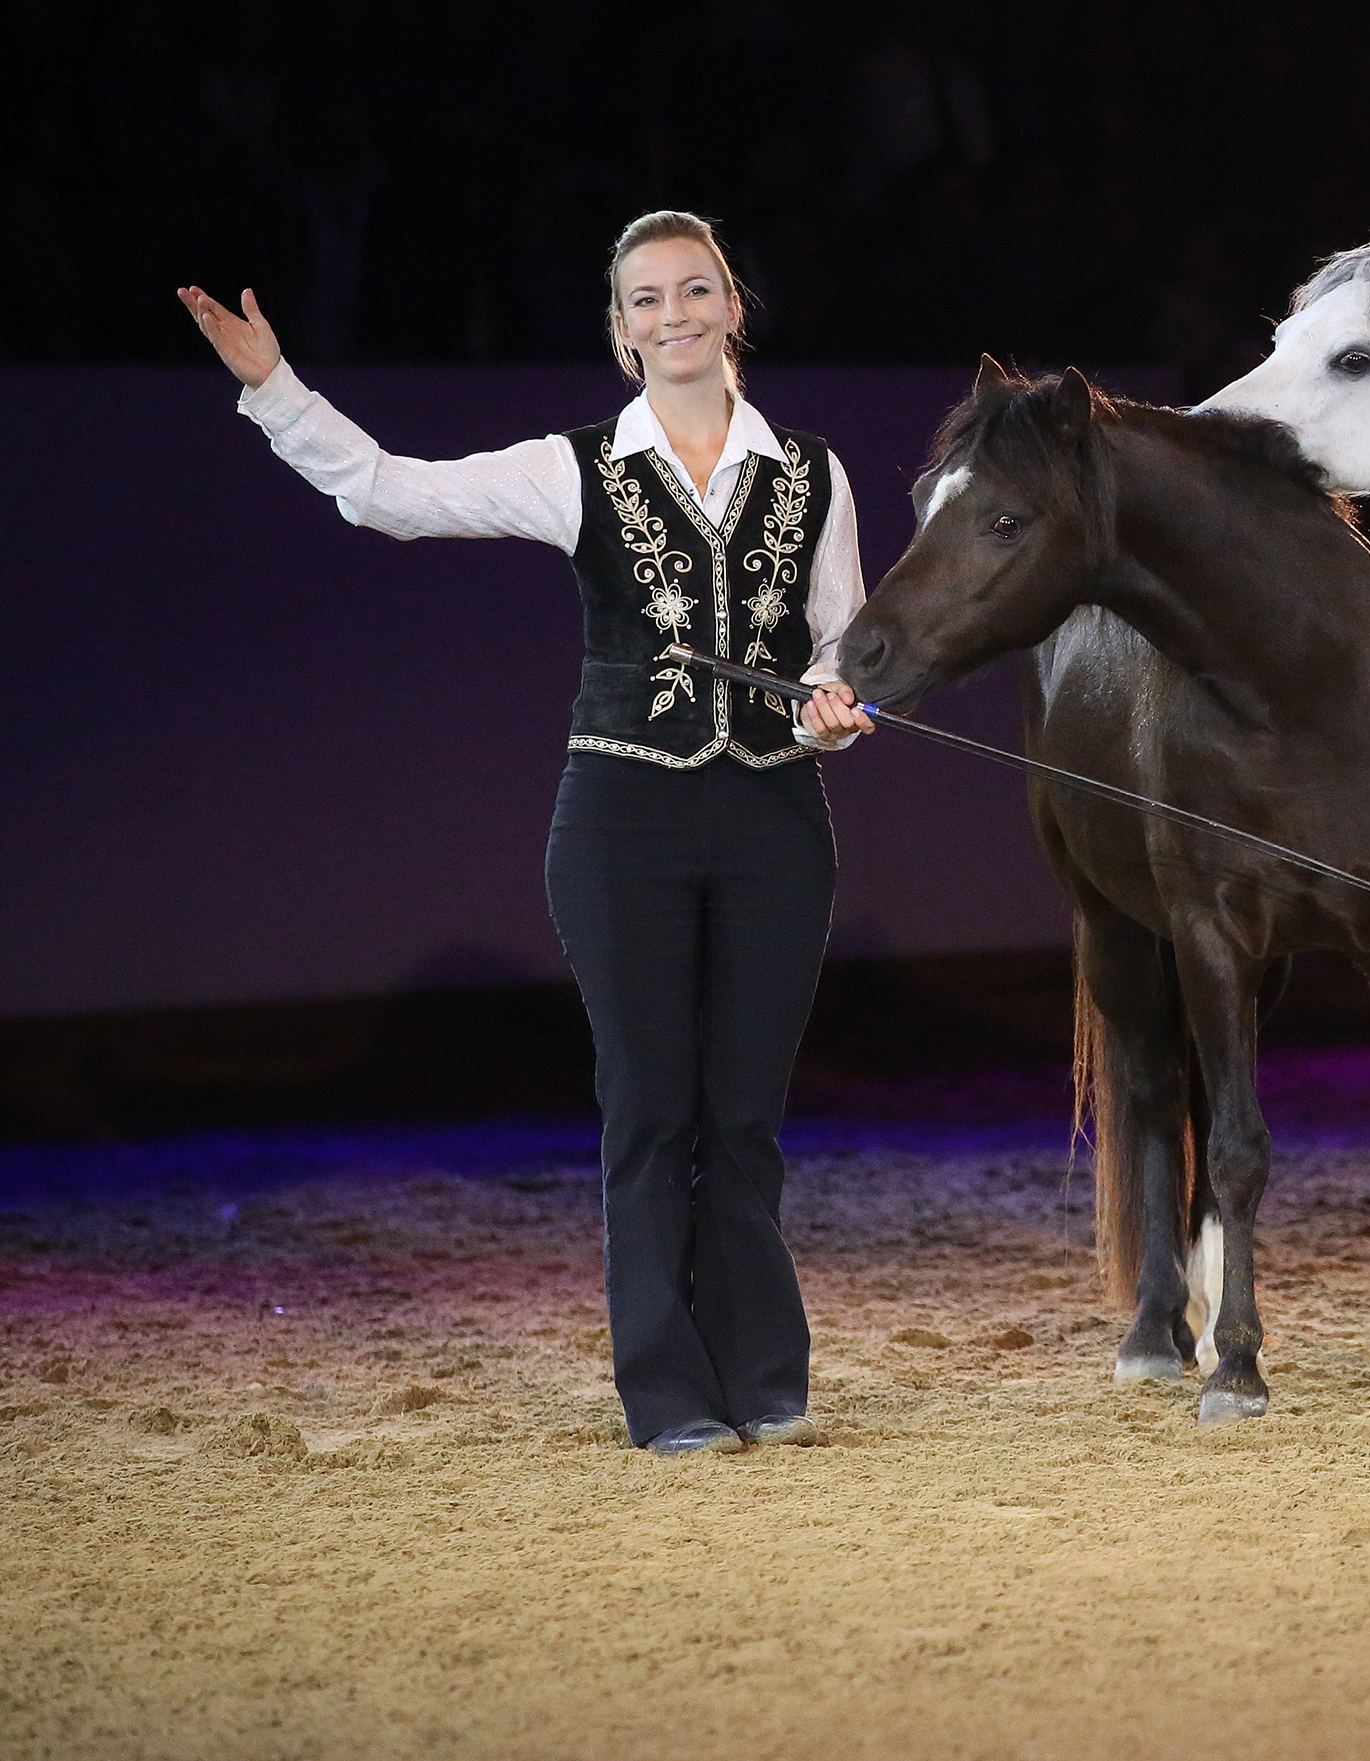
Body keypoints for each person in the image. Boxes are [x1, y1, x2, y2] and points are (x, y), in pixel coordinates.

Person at [179, 212, 876, 1457]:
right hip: (624, 821)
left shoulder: (813, 472)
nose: (674, 315)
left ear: (732, 308)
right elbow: (393, 497)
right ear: (622, 332)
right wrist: (273, 390)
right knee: (652, 1107)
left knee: (744, 1115)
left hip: (776, 817)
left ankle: (767, 1375)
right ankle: (668, 1395)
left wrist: (835, 703)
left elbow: (841, 638)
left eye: (694, 290)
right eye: (646, 300)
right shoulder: (578, 468)